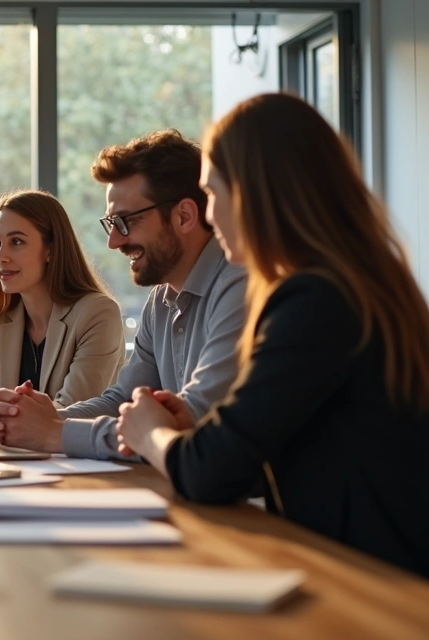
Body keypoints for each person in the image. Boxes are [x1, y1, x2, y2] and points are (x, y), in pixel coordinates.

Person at [116, 93, 429, 578]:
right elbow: (258, 450)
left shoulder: (315, 299)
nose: (210, 216)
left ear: (257, 192)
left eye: (214, 193)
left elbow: (211, 471)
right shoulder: (358, 283)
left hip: (377, 586)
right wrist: (191, 430)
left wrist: (150, 433)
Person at [0, 130, 247, 460]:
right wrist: (47, 419)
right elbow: (122, 399)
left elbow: (195, 418)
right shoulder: (160, 301)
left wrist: (53, 433)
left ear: (184, 216)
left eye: (125, 222)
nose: (114, 242)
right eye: (111, 224)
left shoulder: (239, 286)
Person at [0, 189, 125, 432]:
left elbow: (74, 412)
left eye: (17, 242)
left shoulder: (98, 314)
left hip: (75, 453)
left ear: (51, 250)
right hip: (11, 453)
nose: (0, 257)